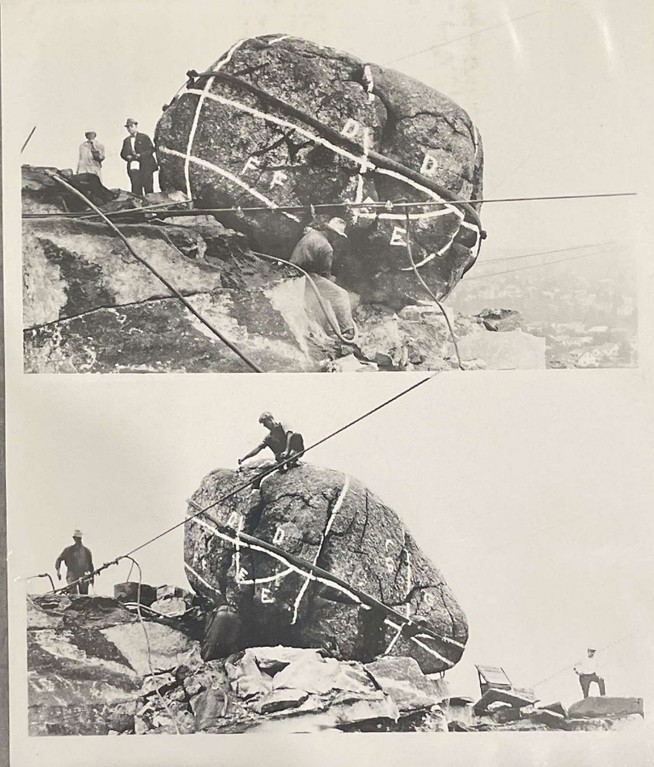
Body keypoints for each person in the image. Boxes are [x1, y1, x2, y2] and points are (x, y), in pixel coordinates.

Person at [290, 217, 356, 340]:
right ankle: (347, 329)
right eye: (336, 236)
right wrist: (332, 281)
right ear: (331, 233)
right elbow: (325, 274)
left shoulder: (312, 234)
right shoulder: (326, 248)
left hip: (292, 270)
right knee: (340, 294)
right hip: (305, 277)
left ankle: (329, 324)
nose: (336, 239)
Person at [238, 412, 304, 472]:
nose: (264, 425)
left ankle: (293, 458)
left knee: (296, 436)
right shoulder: (269, 437)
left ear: (270, 420)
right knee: (269, 441)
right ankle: (284, 461)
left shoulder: (282, 425)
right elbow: (258, 449)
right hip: (282, 454)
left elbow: (289, 435)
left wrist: (287, 451)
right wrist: (243, 459)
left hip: (291, 449)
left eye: (265, 423)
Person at [120, 118, 158, 196]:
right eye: (128, 127)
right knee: (136, 185)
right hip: (134, 166)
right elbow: (123, 154)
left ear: (136, 126)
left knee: (148, 186)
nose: (130, 129)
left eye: (131, 126)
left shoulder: (144, 137)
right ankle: (139, 204)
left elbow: (151, 149)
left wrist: (141, 155)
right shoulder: (126, 140)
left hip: (146, 165)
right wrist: (128, 157)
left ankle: (151, 206)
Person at [55, 530, 94, 595]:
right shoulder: (68, 550)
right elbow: (59, 560)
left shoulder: (86, 551)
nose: (78, 540)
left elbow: (91, 566)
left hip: (82, 574)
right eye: (77, 538)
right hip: (72, 574)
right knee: (73, 592)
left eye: (79, 538)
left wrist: (92, 579)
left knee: (84, 595)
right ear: (74, 539)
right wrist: (58, 572)